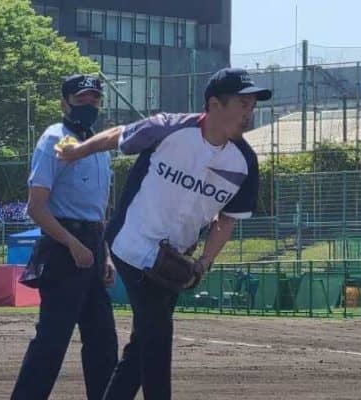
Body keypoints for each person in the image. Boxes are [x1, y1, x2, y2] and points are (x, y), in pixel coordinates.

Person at [58, 67, 270, 400]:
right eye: (242, 104)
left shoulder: (245, 162)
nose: (249, 112)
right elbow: (119, 134)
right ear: (215, 104)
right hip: (131, 243)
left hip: (172, 262)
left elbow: (227, 220)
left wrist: (203, 263)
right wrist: (77, 151)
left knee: (142, 345)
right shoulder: (170, 128)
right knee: (157, 338)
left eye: (252, 105)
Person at [11, 74, 118, 400]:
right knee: (52, 340)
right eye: (81, 99)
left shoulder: (99, 147)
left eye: (94, 99)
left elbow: (99, 211)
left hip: (93, 246)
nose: (89, 105)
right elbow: (36, 207)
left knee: (103, 340)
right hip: (63, 247)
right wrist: (72, 244)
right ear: (64, 103)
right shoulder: (54, 140)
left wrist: (105, 253)